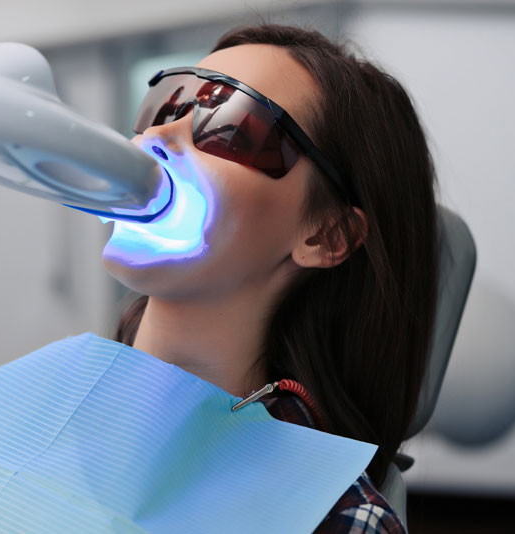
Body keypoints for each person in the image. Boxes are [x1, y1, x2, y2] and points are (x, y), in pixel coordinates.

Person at [103, 24, 438, 533]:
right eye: (166, 107)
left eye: (232, 127)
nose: (156, 138)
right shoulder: (33, 399)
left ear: (327, 234)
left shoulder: (336, 518)